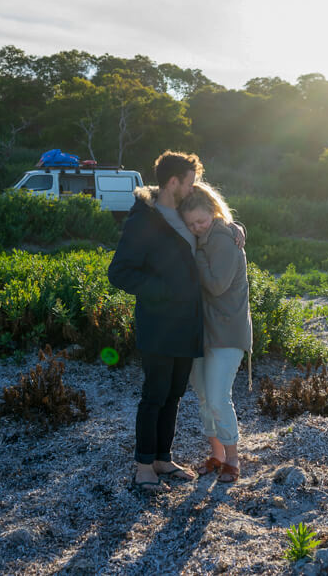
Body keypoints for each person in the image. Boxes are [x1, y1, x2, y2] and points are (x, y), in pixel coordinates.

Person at [107, 151, 205, 493]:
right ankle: (144, 465)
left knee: (175, 394)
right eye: (190, 182)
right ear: (173, 182)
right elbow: (118, 272)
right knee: (155, 395)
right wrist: (163, 291)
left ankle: (164, 458)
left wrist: (237, 227)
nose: (193, 188)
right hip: (159, 322)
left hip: (187, 322)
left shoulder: (184, 211)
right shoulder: (144, 220)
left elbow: (214, 219)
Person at [178, 182, 252, 484]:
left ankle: (233, 458)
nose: (196, 227)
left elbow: (217, 285)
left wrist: (194, 256)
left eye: (202, 221)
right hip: (204, 328)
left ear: (214, 212)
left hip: (227, 329)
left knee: (219, 397)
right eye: (191, 224)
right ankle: (217, 454)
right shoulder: (208, 236)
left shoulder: (222, 238)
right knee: (205, 396)